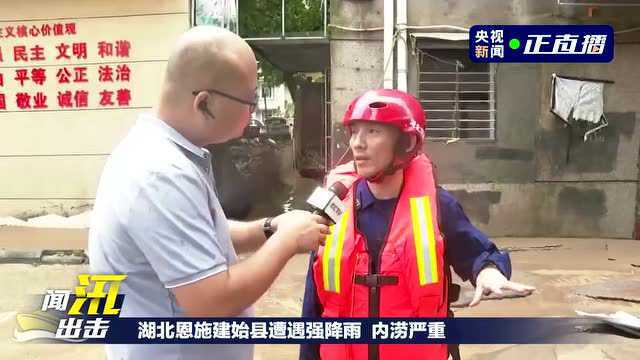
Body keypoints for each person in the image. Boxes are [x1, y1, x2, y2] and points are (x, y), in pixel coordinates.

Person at [88, 26, 329, 360]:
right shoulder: (161, 174)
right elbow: (212, 301)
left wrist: (270, 227)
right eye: (250, 101)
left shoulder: (167, 154)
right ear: (205, 103)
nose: (252, 112)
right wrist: (286, 242)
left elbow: (201, 232)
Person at [299, 89, 535, 360]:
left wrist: (487, 271)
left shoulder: (437, 205)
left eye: (373, 132)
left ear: (405, 143)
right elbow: (314, 299)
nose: (357, 144)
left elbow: (476, 252)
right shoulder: (334, 205)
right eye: (354, 132)